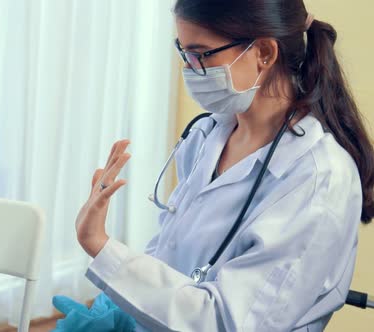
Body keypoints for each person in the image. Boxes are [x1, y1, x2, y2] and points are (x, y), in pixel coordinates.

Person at [63, 0, 374, 331]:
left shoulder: (318, 178)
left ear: (265, 53)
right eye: (183, 53)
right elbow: (169, 254)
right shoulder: (205, 136)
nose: (188, 68)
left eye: (201, 54)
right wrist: (122, 308)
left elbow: (229, 322)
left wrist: (101, 246)